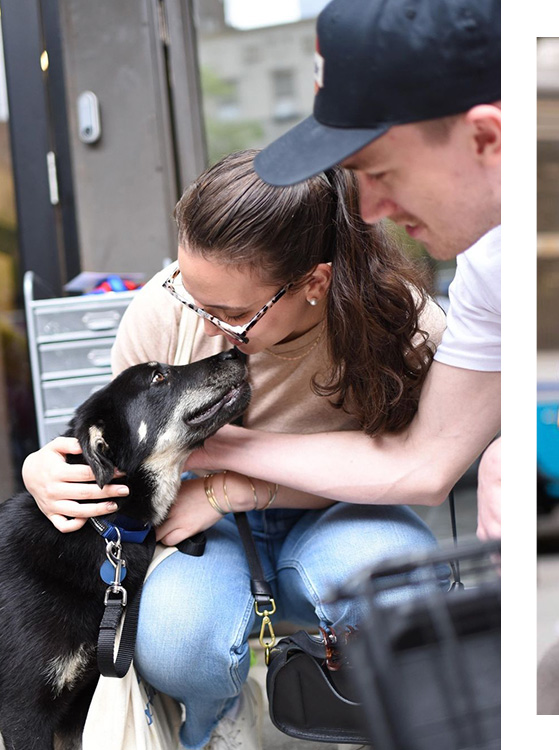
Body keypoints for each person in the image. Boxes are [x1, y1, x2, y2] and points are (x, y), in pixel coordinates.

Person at [24, 149, 447, 748]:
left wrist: (230, 489)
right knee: (179, 642)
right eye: (192, 296)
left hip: (338, 512)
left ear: (313, 283)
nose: (206, 323)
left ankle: (373, 712)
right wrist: (42, 467)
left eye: (231, 313)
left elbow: (419, 465)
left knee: (403, 594)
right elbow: (118, 446)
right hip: (195, 524)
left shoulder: (405, 324)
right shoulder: (161, 310)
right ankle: (216, 719)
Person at [186, 0, 503, 539]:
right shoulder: (484, 268)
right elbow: (424, 462)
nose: (371, 210)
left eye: (379, 172)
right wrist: (215, 448)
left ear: (486, 139)